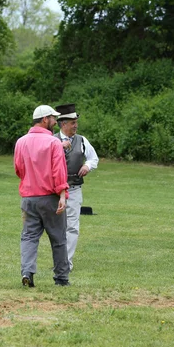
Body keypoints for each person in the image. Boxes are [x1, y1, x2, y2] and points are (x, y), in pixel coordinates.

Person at [14, 105, 70, 287]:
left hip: (28, 198)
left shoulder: (21, 142)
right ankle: (61, 278)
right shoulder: (54, 143)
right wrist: (62, 195)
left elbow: (18, 169)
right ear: (45, 119)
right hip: (49, 197)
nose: (56, 122)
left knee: (29, 237)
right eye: (54, 118)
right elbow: (59, 171)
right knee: (58, 238)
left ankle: (27, 272)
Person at [54, 103, 99, 270]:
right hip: (54, 191)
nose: (76, 125)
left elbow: (93, 158)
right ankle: (59, 260)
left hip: (74, 189)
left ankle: (66, 263)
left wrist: (87, 166)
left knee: (72, 226)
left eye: (76, 122)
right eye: (73, 122)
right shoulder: (52, 140)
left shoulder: (82, 140)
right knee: (56, 227)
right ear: (63, 123)